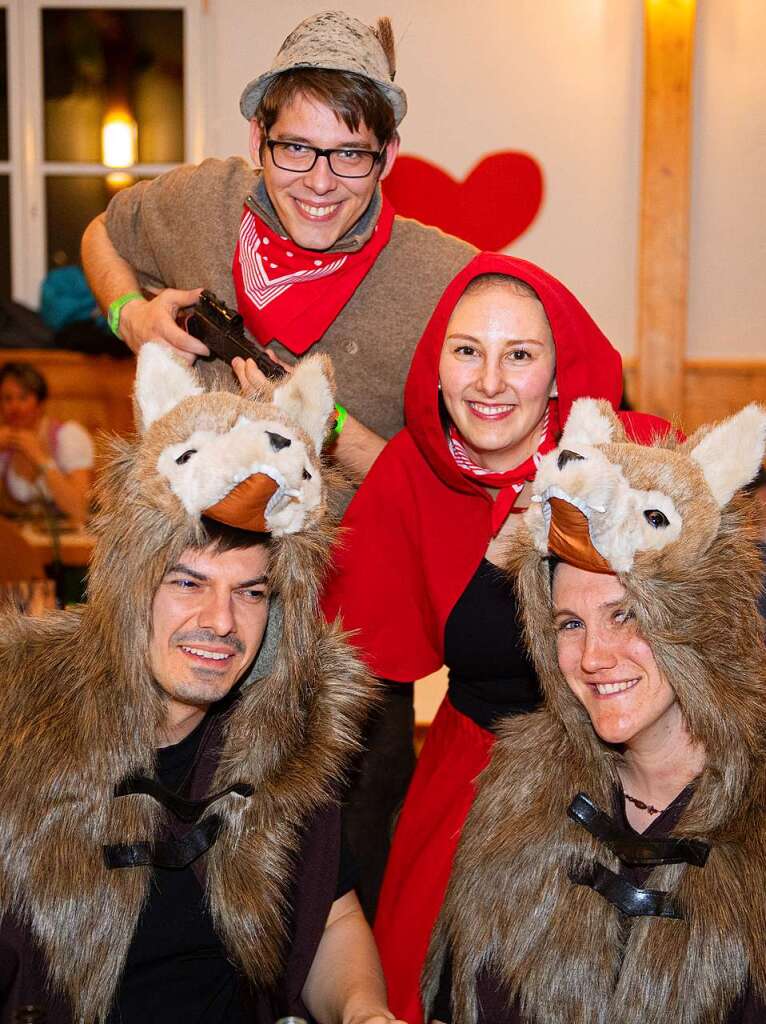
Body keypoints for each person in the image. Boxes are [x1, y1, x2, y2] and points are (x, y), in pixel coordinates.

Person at [0, 343, 405, 1024]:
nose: (220, 622)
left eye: (251, 592)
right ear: (133, 581)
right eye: (188, 583)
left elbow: (330, 918)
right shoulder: (18, 714)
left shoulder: (285, 736)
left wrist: (365, 1011)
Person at [321, 252, 673, 1024]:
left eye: (519, 355)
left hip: (631, 777)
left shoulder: (636, 452)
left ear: (556, 373)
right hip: (473, 783)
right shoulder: (409, 475)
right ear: (437, 364)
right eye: (467, 351)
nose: (489, 381)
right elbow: (341, 655)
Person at [424, 398, 766, 1023]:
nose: (593, 656)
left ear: (695, 618)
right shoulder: (517, 792)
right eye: (570, 623)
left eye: (624, 615)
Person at [81, 10, 475, 485]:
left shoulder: (447, 280)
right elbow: (103, 232)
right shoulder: (203, 199)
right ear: (257, 139)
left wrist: (326, 425)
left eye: (350, 153)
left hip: (338, 558)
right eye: (295, 148)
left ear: (387, 156)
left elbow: (443, 496)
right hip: (179, 547)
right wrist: (130, 316)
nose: (320, 182)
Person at [0, 361, 94, 523]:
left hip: (68, 543)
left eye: (23, 398)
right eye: (7, 399)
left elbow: (80, 509)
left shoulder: (67, 436)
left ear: (40, 403)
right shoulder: (4, 443)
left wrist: (39, 458)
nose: (14, 407)